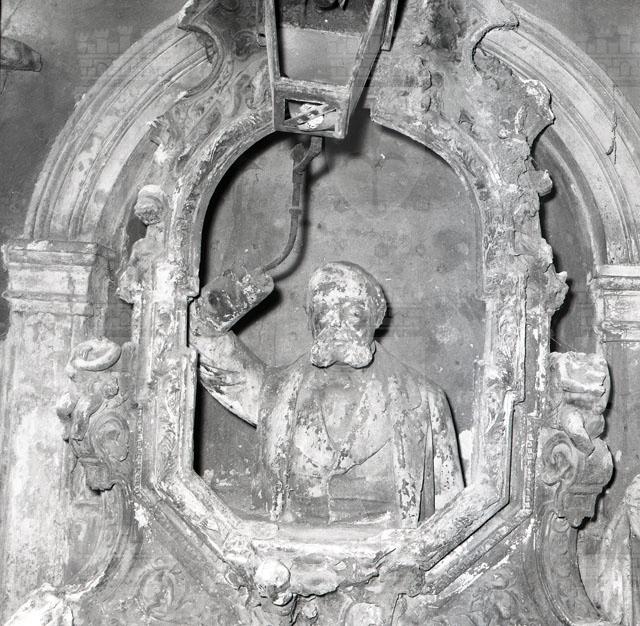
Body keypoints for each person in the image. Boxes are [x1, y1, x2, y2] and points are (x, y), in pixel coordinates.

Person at [190, 261, 463, 527]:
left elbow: (453, 516)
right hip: (291, 546)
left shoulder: (425, 401)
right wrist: (230, 297)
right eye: (323, 311)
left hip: (390, 550)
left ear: (377, 315)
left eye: (353, 313)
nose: (337, 324)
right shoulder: (275, 391)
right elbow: (205, 345)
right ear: (310, 320)